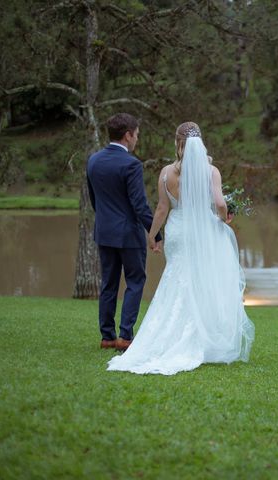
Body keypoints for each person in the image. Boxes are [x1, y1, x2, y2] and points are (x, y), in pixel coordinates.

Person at [107, 122, 255, 375]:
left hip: (177, 231)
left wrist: (152, 236)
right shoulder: (211, 171)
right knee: (202, 281)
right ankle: (200, 338)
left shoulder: (166, 173)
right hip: (203, 232)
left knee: (176, 278)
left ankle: (164, 336)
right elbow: (219, 203)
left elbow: (162, 209)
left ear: (178, 143)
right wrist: (224, 216)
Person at [87, 113, 162, 352]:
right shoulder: (131, 164)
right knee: (135, 282)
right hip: (128, 234)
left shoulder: (94, 160)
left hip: (105, 232)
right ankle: (125, 336)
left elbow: (94, 200)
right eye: (136, 135)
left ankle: (107, 336)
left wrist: (106, 221)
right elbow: (139, 205)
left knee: (108, 284)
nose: (137, 139)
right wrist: (155, 233)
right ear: (128, 135)